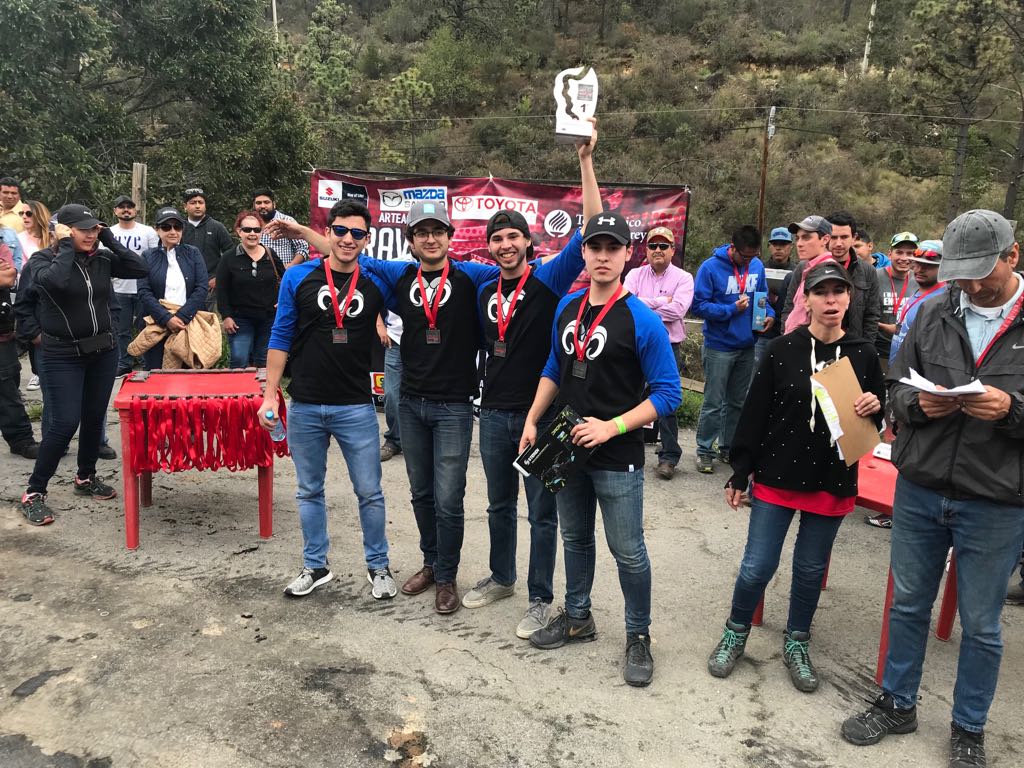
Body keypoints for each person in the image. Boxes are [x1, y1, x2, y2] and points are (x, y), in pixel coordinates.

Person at [841, 209, 1024, 768]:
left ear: (1012, 258)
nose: (966, 284)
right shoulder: (933, 311)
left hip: (995, 499)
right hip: (920, 488)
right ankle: (897, 702)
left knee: (983, 624)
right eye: (958, 272)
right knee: (908, 605)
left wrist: (1012, 411)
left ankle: (969, 726)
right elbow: (894, 390)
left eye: (979, 273)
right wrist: (918, 404)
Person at [266, 200, 505, 615]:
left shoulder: (446, 275)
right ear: (410, 241)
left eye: (438, 231)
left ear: (450, 237)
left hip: (412, 406)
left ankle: (419, 572)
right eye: (421, 232)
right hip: (360, 402)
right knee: (400, 493)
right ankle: (347, 565)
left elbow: (520, 272)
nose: (430, 239)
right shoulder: (360, 275)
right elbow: (339, 255)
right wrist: (271, 393)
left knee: (417, 496)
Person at [518, 212, 681, 687]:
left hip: (617, 453)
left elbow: (668, 393)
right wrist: (532, 419)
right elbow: (554, 366)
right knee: (575, 539)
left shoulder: (642, 319)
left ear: (626, 254)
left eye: (613, 248)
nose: (603, 256)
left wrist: (612, 427)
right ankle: (577, 617)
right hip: (567, 447)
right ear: (584, 253)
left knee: (628, 551)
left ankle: (638, 637)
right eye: (595, 247)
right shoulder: (567, 307)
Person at [707, 261, 884, 692]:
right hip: (778, 473)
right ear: (805, 299)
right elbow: (754, 413)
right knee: (757, 565)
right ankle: (736, 631)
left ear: (849, 299)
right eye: (821, 292)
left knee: (809, 569)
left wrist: (876, 406)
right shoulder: (782, 349)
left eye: (838, 293)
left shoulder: (864, 353)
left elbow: (879, 411)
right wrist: (740, 471)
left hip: (831, 477)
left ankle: (797, 642)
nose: (830, 301)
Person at [461, 130, 599, 636]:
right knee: (499, 503)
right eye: (496, 239)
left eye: (513, 237)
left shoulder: (547, 279)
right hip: (494, 412)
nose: (504, 245)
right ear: (490, 247)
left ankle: (541, 597)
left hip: (544, 416)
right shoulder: (481, 287)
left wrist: (585, 162)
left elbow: (590, 228)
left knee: (544, 514)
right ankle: (502, 577)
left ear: (528, 243)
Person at [259, 199, 398, 600]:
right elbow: (281, 335)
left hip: (355, 406)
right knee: (308, 490)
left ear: (367, 239)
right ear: (330, 231)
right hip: (304, 404)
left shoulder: (376, 281)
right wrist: (270, 393)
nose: (347, 239)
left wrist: (303, 232)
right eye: (340, 230)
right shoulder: (298, 278)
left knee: (369, 492)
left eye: (357, 233)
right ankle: (315, 565)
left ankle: (378, 566)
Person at [19, 204, 148, 525]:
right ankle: (34, 492)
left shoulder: (101, 259)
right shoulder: (42, 261)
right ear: (63, 230)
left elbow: (139, 268)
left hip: (102, 351)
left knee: (93, 417)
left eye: (95, 228)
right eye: (83, 229)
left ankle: (85, 476)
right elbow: (58, 283)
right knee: (63, 423)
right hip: (62, 354)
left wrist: (108, 238)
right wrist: (64, 246)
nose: (91, 234)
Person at [691, 225, 773, 474]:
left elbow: (763, 297)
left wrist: (768, 314)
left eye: (753, 255)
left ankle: (727, 447)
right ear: (732, 248)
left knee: (737, 402)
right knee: (714, 401)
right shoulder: (710, 267)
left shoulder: (757, 266)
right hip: (719, 346)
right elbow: (698, 306)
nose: (748, 260)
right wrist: (730, 310)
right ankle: (705, 450)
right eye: (744, 256)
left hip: (747, 344)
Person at [623, 225, 693, 479]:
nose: (658, 250)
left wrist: (645, 306)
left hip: (668, 345)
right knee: (628, 395)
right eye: (653, 246)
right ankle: (625, 446)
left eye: (664, 246)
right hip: (634, 343)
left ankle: (669, 456)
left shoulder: (684, 278)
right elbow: (626, 305)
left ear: (673, 250)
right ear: (647, 249)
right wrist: (663, 302)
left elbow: (679, 311)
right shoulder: (633, 274)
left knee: (667, 401)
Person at [783, 212, 880, 344]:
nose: (838, 243)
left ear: (854, 237)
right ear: (826, 238)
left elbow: (871, 316)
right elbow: (790, 308)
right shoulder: (804, 267)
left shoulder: (867, 271)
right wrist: (788, 342)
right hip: (810, 344)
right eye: (834, 237)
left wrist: (864, 348)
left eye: (844, 237)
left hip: (850, 345)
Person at [136, 207, 210, 370]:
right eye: (166, 227)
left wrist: (182, 317)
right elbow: (143, 291)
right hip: (156, 324)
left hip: (188, 324)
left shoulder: (193, 253)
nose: (172, 231)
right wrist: (166, 319)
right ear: (157, 230)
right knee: (155, 375)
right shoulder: (147, 256)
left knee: (190, 377)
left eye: (177, 227)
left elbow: (201, 287)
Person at [217, 211, 285, 368]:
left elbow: (287, 279)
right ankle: (239, 391)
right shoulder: (228, 257)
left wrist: (282, 301)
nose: (252, 234)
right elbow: (222, 290)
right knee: (239, 360)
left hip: (269, 318)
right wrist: (226, 316)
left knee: (264, 361)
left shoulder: (270, 254)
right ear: (239, 231)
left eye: (256, 229)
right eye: (247, 230)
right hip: (240, 320)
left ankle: (261, 393)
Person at [108, 195, 159, 376]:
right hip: (119, 290)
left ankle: (147, 363)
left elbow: (154, 259)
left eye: (130, 206)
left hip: (143, 290)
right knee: (122, 331)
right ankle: (124, 363)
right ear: (115, 211)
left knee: (146, 328)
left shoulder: (148, 232)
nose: (126, 210)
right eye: (121, 207)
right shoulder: (109, 233)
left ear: (136, 210)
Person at [0, 227, 37, 460]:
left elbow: (8, 276)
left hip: (2, 333)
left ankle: (21, 440)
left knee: (8, 385)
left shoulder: (2, 244)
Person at [888, 239, 946, 365]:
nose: (919, 269)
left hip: (916, 377)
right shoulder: (917, 290)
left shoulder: (943, 300)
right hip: (897, 371)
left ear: (943, 267)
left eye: (928, 266)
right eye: (917, 263)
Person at [15, 200, 52, 391]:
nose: (24, 218)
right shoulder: (18, 238)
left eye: (28, 214)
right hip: (25, 288)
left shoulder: (52, 239)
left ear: (39, 215)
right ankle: (37, 374)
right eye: (22, 214)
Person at [180, 187, 233, 312]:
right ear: (185, 206)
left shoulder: (217, 227)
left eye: (201, 202)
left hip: (209, 285)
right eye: (193, 203)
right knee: (182, 321)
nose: (197, 206)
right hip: (182, 283)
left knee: (204, 323)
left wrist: (218, 278)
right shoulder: (178, 227)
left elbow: (230, 254)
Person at [875, 232, 918, 369]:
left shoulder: (919, 280)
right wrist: (882, 326)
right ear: (890, 254)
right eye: (899, 252)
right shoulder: (874, 277)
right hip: (879, 350)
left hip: (908, 352)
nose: (904, 258)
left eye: (910, 253)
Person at [757, 226, 795, 364]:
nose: (779, 248)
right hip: (761, 333)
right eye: (775, 244)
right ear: (769, 246)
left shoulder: (798, 272)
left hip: (786, 334)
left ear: (791, 246)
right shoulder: (759, 268)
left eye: (783, 244)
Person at [254, 188, 308, 268]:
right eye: (258, 203)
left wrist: (290, 267)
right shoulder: (251, 224)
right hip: (259, 274)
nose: (262, 206)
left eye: (266, 202)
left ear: (274, 204)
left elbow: (303, 248)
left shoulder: (287, 221)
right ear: (254, 205)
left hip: (283, 275)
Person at [380, 307, 405, 462]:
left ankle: (422, 442)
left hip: (424, 339)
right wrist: (380, 325)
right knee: (391, 393)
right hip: (395, 339)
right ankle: (394, 440)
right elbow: (374, 294)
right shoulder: (392, 280)